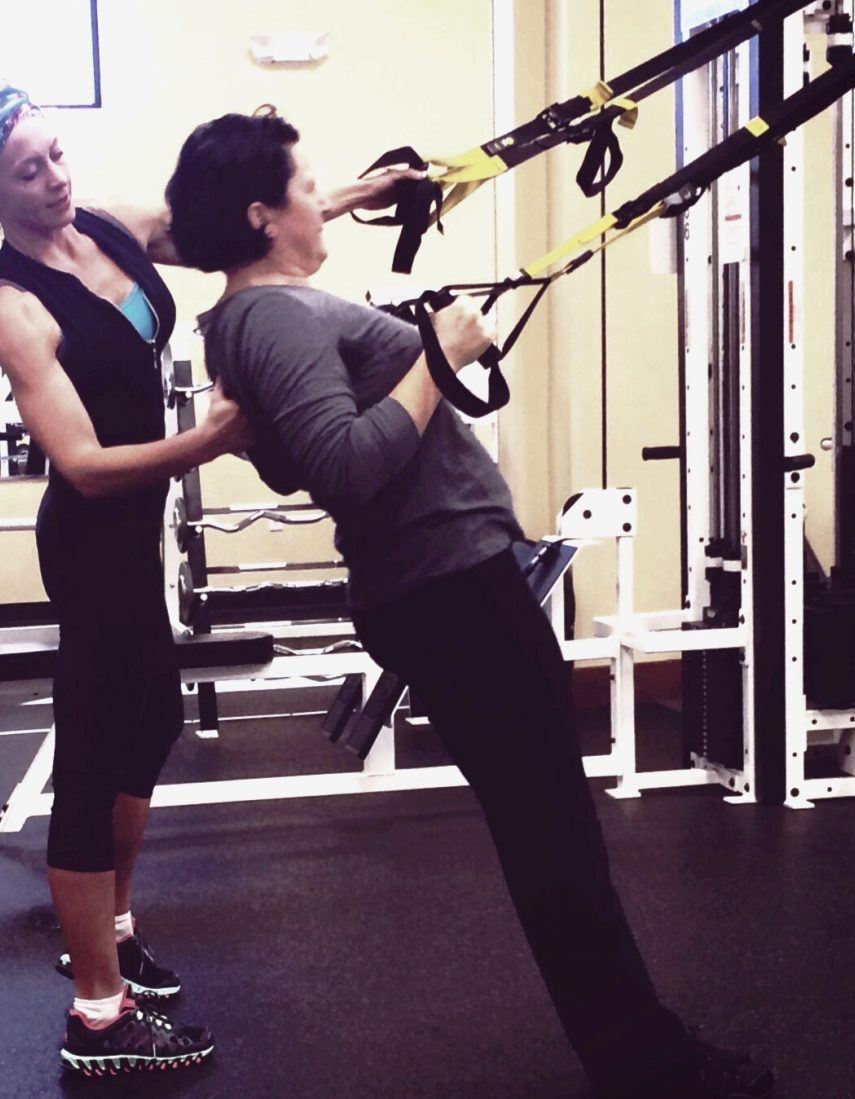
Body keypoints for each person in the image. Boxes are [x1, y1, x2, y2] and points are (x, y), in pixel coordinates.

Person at [164, 109, 776, 1099]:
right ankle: (645, 1063)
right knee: (553, 837)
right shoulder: (270, 318)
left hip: (449, 578)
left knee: (550, 831)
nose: (322, 200)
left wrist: (418, 341)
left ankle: (635, 1049)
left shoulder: (259, 318)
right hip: (447, 588)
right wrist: (437, 358)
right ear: (260, 215)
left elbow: (287, 459)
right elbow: (341, 467)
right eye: (307, 186)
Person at [0, 77, 418, 1078]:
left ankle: (107, 932)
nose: (56, 179)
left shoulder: (109, 227)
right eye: (28, 170)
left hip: (133, 536)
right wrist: (214, 437)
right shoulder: (16, 309)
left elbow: (230, 227)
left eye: (57, 154)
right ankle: (97, 1018)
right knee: (94, 753)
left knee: (148, 724)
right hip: (90, 539)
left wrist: (359, 194)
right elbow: (84, 465)